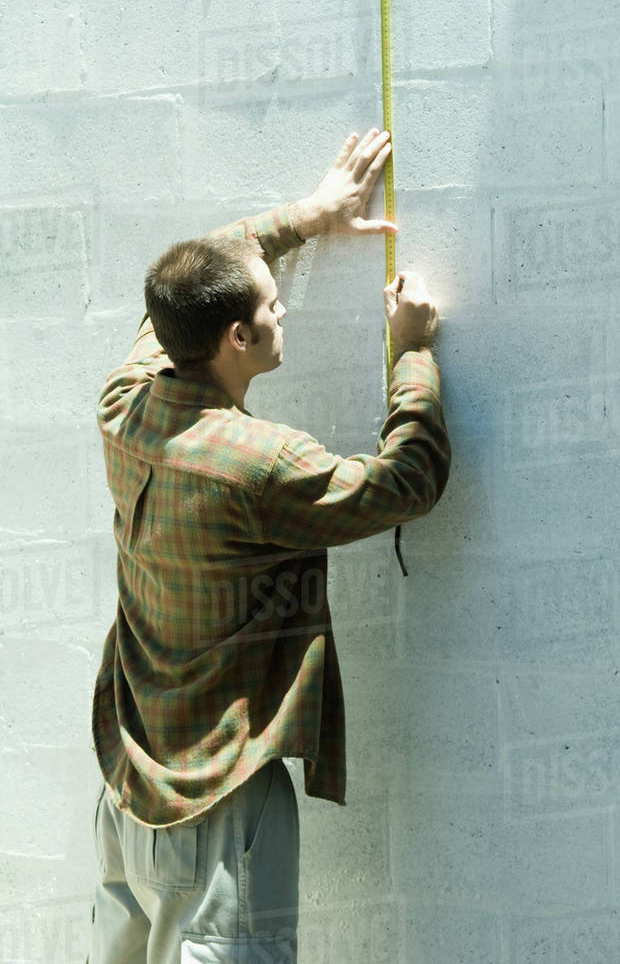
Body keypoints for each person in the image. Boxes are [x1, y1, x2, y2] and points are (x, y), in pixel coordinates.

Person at [86, 127, 451, 964]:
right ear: (237, 340)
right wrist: (411, 354)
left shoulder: (124, 403)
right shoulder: (262, 466)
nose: (282, 309)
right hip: (217, 805)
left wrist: (310, 215)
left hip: (126, 790)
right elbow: (407, 483)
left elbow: (196, 274)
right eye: (270, 306)